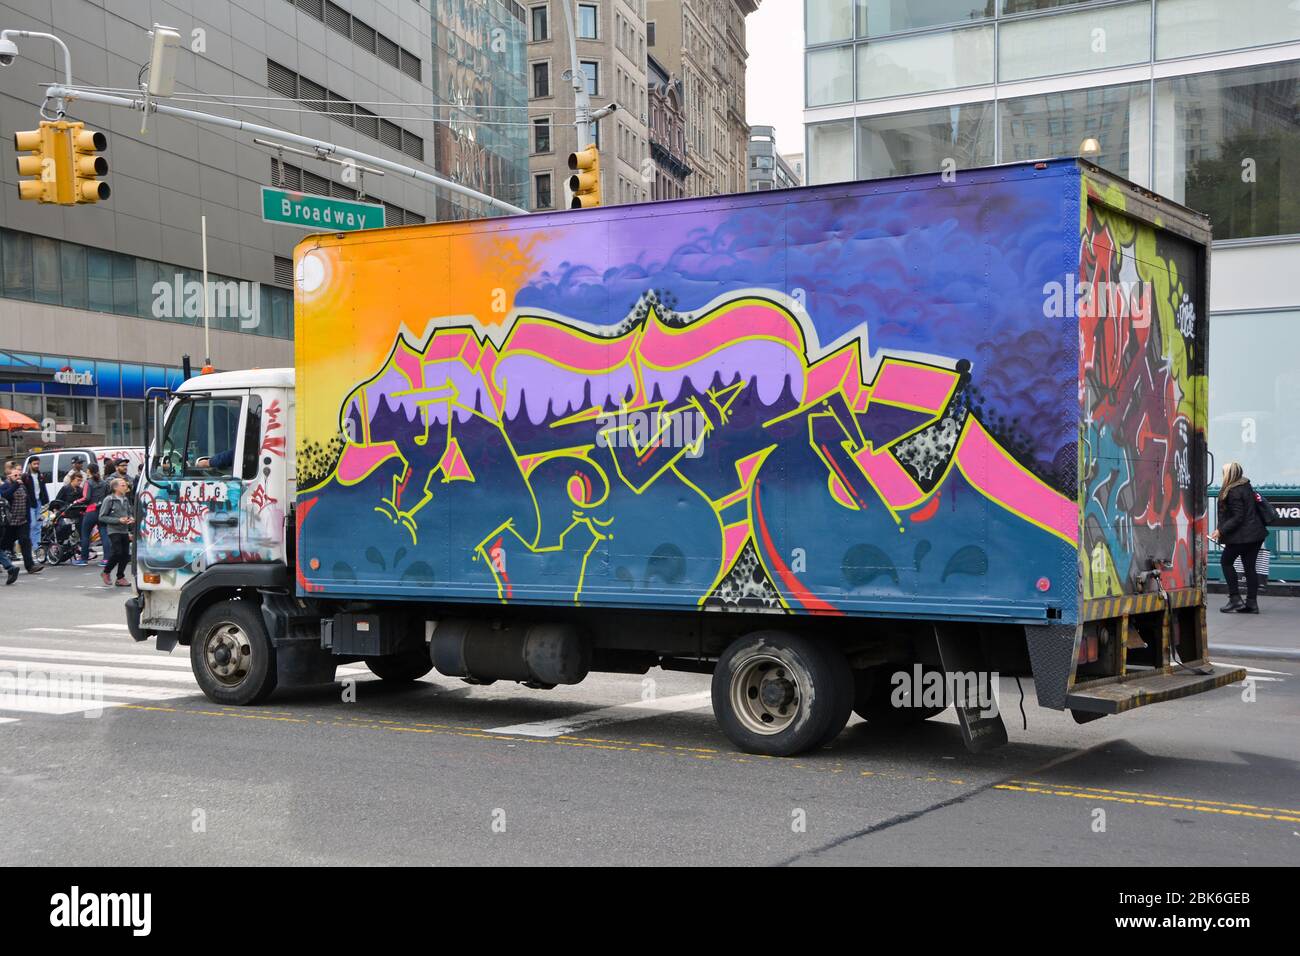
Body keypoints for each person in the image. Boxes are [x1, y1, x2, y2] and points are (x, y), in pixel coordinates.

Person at [1210, 461, 1268, 614]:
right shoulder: (1246, 486)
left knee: (1226, 562)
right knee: (1249, 568)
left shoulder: (1233, 491)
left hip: (1243, 536)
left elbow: (1238, 517)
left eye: (1224, 472)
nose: (1222, 475)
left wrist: (1220, 530)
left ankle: (1235, 599)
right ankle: (1251, 603)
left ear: (1230, 474)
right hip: (1255, 534)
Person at [1, 460, 42, 575]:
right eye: (15, 475)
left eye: (19, 475)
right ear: (9, 475)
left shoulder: (22, 486)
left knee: (25, 541)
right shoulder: (6, 486)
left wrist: (28, 519)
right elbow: (6, 495)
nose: (18, 477)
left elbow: (27, 502)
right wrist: (15, 484)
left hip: (22, 521)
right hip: (9, 523)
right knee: (4, 545)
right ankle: (4, 563)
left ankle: (30, 566)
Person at [98, 477, 134, 587]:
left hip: (124, 530)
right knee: (117, 552)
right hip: (113, 530)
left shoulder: (126, 499)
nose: (125, 487)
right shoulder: (109, 500)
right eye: (122, 485)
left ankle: (120, 577)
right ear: (115, 487)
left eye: (125, 485)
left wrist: (130, 518)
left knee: (126, 555)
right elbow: (102, 517)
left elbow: (129, 513)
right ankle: (106, 571)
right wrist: (118, 520)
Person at [73, 462, 106, 567]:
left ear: (89, 471)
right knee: (104, 534)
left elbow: (86, 498)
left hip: (91, 510)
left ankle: (84, 559)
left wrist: (76, 502)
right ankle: (106, 559)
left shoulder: (88, 482)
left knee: (85, 535)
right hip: (102, 510)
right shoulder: (104, 482)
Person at [21, 457, 50, 553]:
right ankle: (28, 546)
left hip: (39, 502)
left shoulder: (40, 476)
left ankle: (36, 548)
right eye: (34, 464)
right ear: (30, 464)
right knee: (32, 524)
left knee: (38, 525)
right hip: (30, 503)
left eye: (38, 464)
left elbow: (43, 489)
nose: (36, 466)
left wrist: (46, 502)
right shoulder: (25, 477)